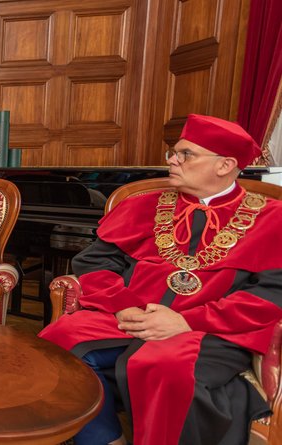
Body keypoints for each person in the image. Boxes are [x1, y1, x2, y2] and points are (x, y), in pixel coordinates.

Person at [38, 114, 282, 445]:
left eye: (186, 154)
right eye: (173, 152)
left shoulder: (272, 218)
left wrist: (186, 321)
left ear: (225, 165)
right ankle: (104, 439)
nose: (172, 160)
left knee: (165, 366)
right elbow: (94, 262)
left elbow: (271, 293)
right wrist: (123, 306)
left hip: (208, 330)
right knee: (59, 339)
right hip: (128, 318)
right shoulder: (142, 206)